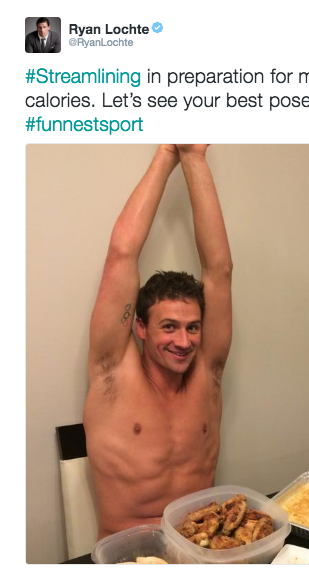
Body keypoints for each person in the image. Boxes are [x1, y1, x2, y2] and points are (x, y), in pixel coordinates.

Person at [83, 145, 233, 539]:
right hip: (128, 554)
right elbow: (122, 253)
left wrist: (194, 156)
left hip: (202, 550)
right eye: (169, 327)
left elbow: (219, 271)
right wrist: (168, 151)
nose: (184, 341)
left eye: (193, 327)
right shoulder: (113, 374)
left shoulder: (208, 373)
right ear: (141, 327)